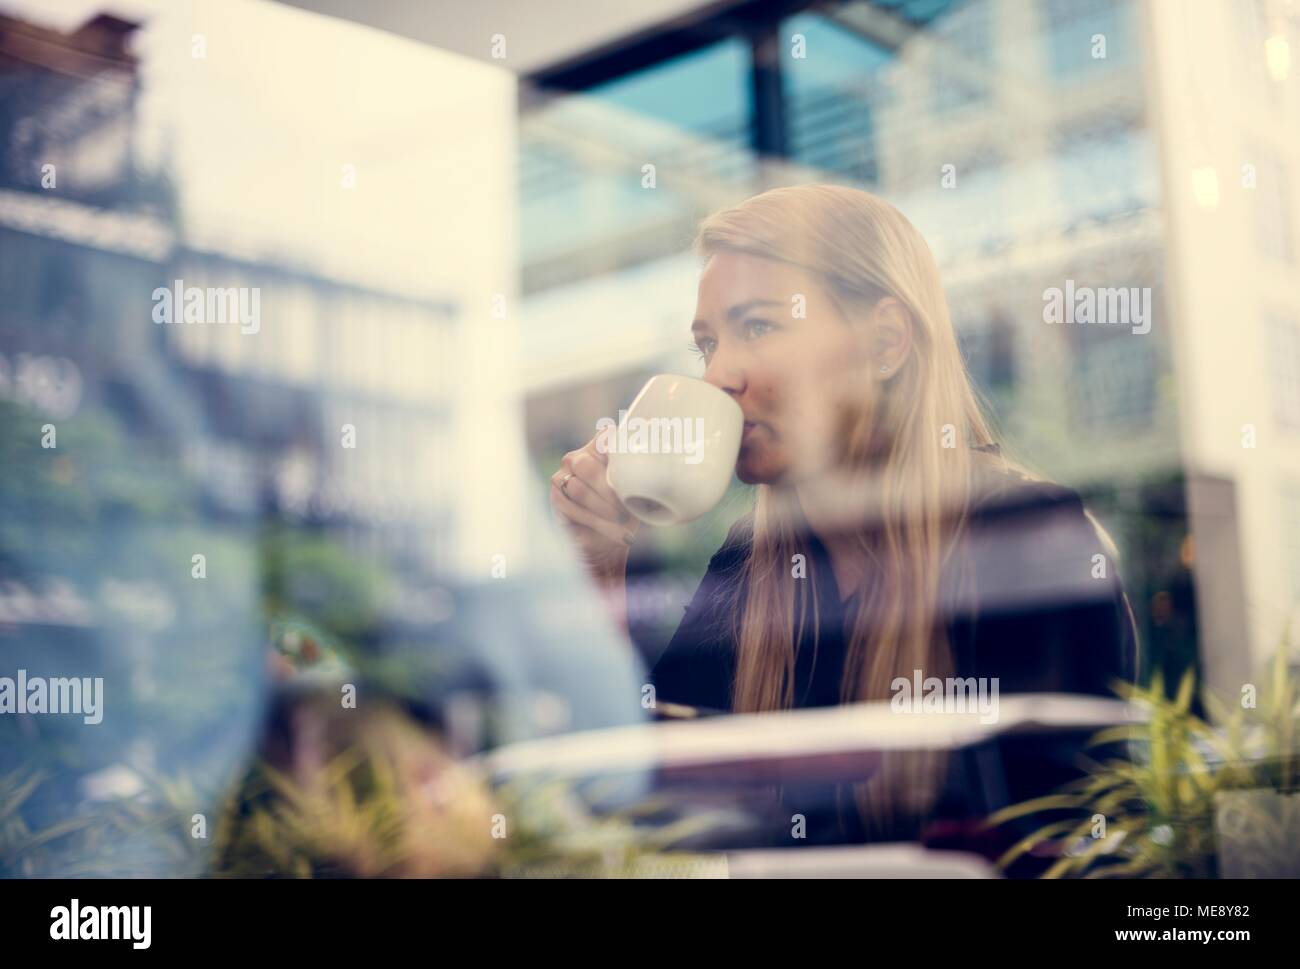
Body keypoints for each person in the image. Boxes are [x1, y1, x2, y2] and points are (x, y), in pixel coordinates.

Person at [549, 184, 1137, 844]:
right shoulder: (749, 561)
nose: (719, 375)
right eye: (708, 344)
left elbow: (1067, 841)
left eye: (759, 326)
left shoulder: (1023, 534)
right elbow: (652, 798)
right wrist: (601, 563)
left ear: (886, 342)